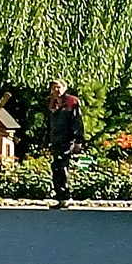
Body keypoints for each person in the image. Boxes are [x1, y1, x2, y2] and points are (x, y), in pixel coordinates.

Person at [44, 80, 85, 208]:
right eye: (54, 88)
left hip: (68, 140)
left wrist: (78, 141)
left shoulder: (72, 102)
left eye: (59, 87)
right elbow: (48, 123)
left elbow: (77, 121)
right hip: (55, 140)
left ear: (65, 88)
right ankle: (60, 196)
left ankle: (66, 196)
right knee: (56, 167)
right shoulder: (51, 103)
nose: (56, 90)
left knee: (62, 167)